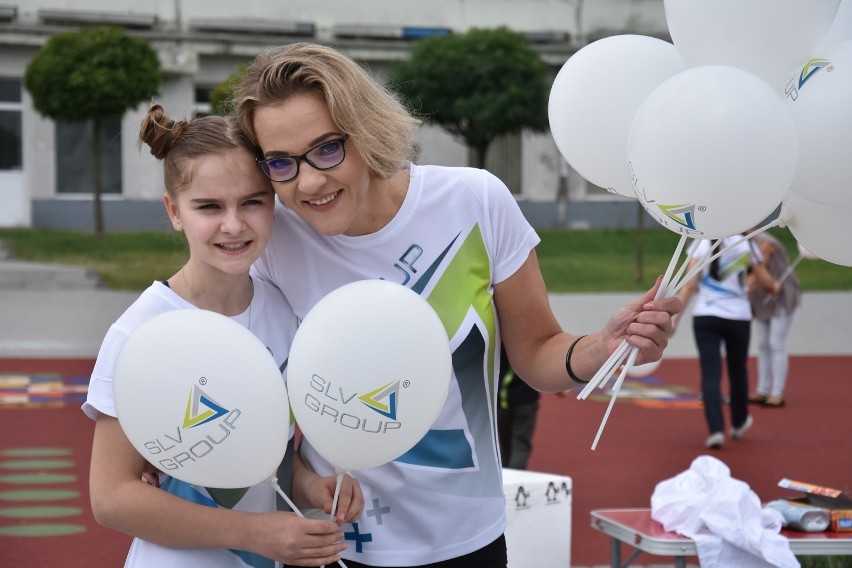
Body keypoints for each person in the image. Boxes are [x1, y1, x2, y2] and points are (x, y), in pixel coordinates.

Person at [233, 42, 681, 567]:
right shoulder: (272, 243)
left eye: (328, 148)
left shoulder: (475, 202)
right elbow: (255, 396)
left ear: (367, 129)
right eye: (281, 163)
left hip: (467, 541)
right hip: (332, 545)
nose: (308, 181)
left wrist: (604, 347)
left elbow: (537, 354)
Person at [83, 104, 363, 568]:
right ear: (174, 211)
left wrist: (313, 486)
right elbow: (111, 497)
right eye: (209, 206)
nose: (233, 225)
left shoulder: (282, 310)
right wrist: (256, 534)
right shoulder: (140, 331)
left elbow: (259, 456)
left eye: (252, 201)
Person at [677, 236, 776, 450]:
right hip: (738, 317)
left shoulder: (701, 242)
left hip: (705, 315)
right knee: (737, 370)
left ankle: (716, 430)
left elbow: (689, 284)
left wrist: (674, 319)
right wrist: (774, 285)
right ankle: (739, 422)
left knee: (710, 373)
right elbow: (766, 283)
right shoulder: (746, 243)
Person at [747, 231, 802, 408]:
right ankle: (762, 390)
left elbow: (758, 268)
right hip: (761, 298)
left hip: (780, 295)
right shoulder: (740, 245)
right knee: (763, 344)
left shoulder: (765, 242)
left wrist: (740, 293)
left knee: (775, 343)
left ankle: (776, 393)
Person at [497, 346, 540, 470]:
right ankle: (514, 482)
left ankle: (504, 479)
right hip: (525, 400)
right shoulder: (531, 343)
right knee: (520, 445)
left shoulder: (502, 340)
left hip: (503, 400)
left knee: (505, 446)